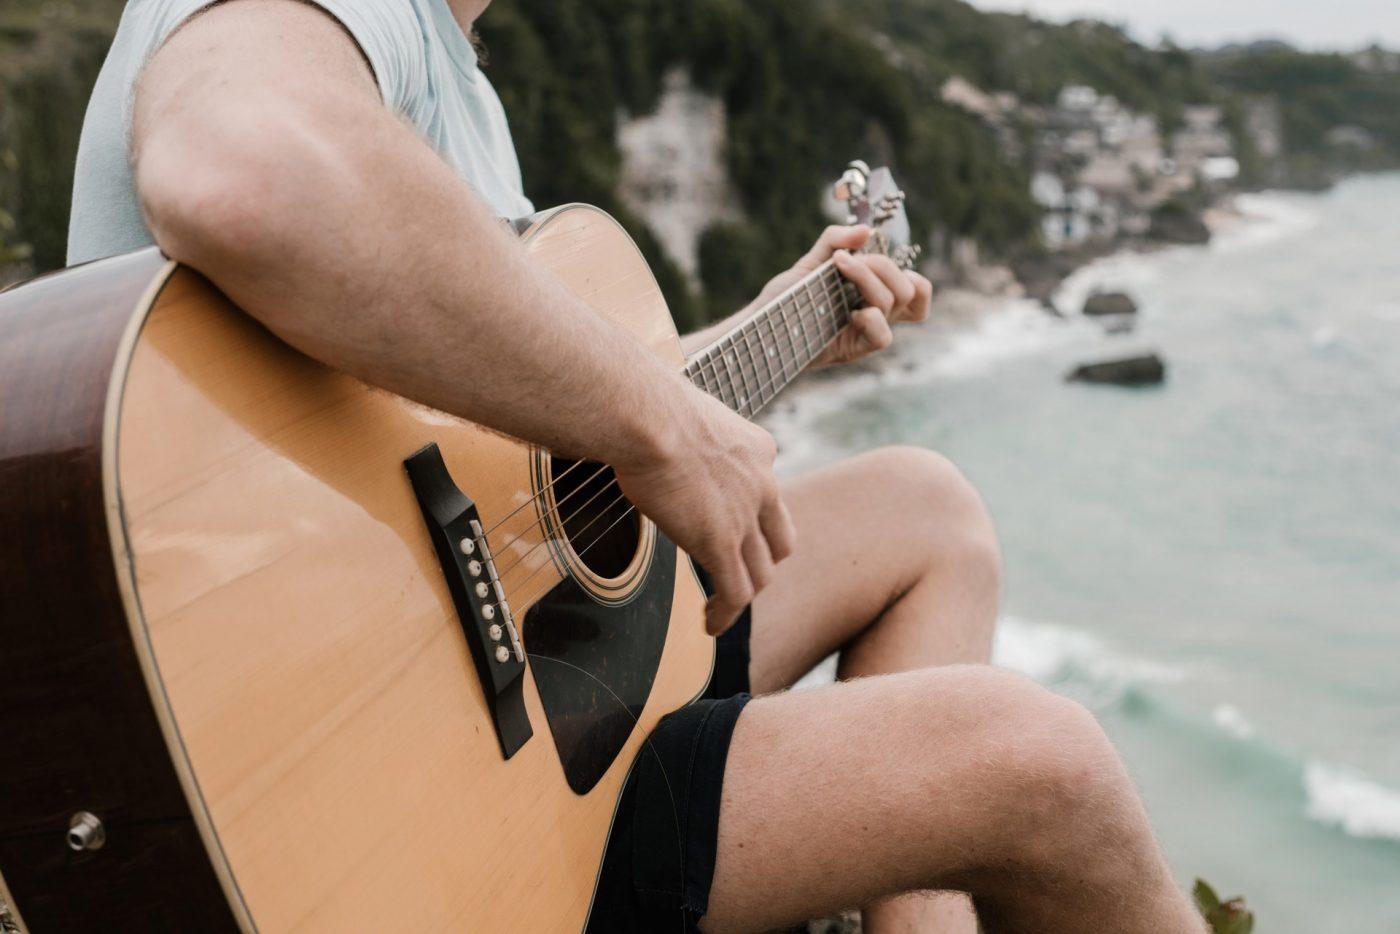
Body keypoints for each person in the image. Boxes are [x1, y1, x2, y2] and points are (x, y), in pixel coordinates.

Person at [68, 1, 1205, 931]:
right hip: (384, 795)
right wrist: (662, 421)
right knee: (1041, 760)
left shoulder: (457, 83)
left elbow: (508, 431)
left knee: (926, 511)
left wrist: (769, 326)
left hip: (518, 680)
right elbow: (245, 167)